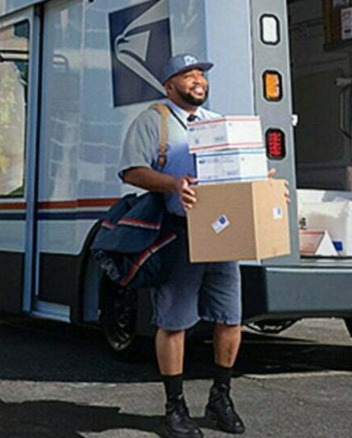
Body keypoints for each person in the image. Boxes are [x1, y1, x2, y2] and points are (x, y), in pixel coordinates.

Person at [118, 54, 246, 438]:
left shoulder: (217, 123)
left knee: (230, 318)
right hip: (177, 231)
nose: (198, 80)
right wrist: (174, 184)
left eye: (201, 75)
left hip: (221, 231)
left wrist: (260, 181)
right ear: (168, 84)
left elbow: (237, 168)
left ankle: (220, 397)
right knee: (174, 323)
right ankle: (174, 407)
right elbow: (131, 170)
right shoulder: (152, 121)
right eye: (188, 75)